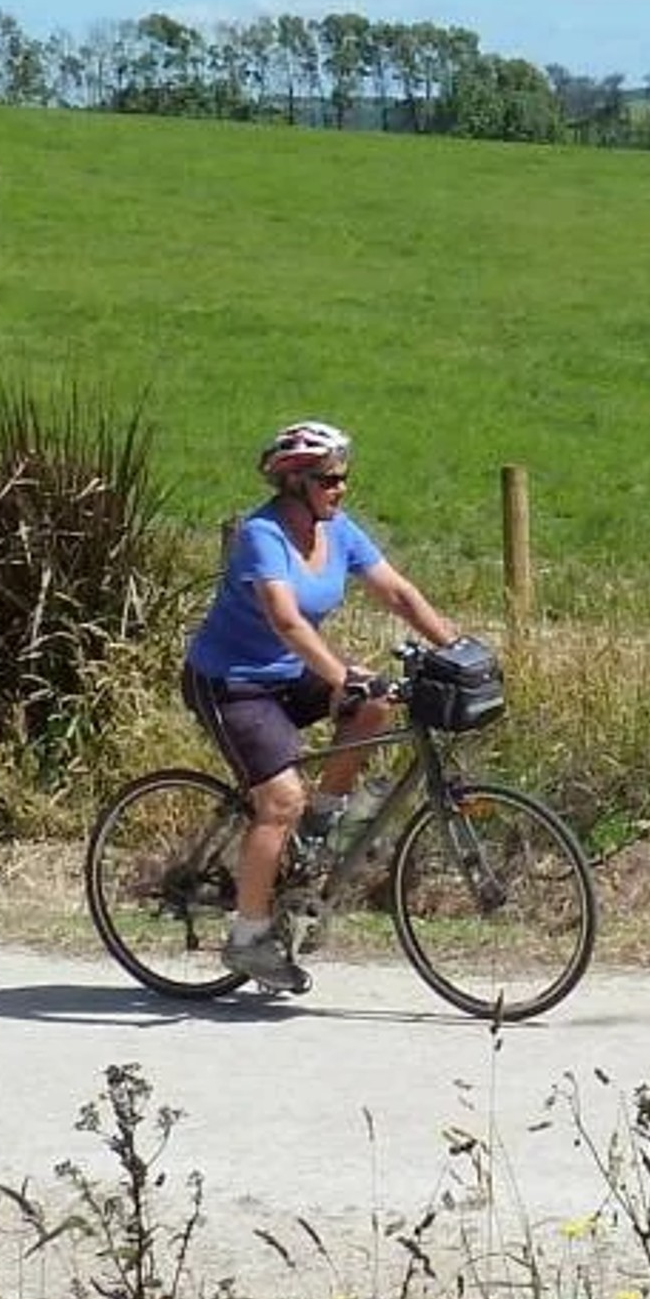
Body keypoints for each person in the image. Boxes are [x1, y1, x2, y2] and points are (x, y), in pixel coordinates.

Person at [182, 418, 460, 990]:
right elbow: (284, 619)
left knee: (376, 703)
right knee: (279, 800)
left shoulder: (339, 530)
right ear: (296, 483)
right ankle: (248, 938)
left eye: (343, 478)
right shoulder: (263, 535)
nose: (341, 488)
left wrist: (457, 647)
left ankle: (323, 822)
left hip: (290, 672)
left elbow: (397, 592)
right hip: (232, 683)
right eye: (330, 480)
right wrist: (338, 674)